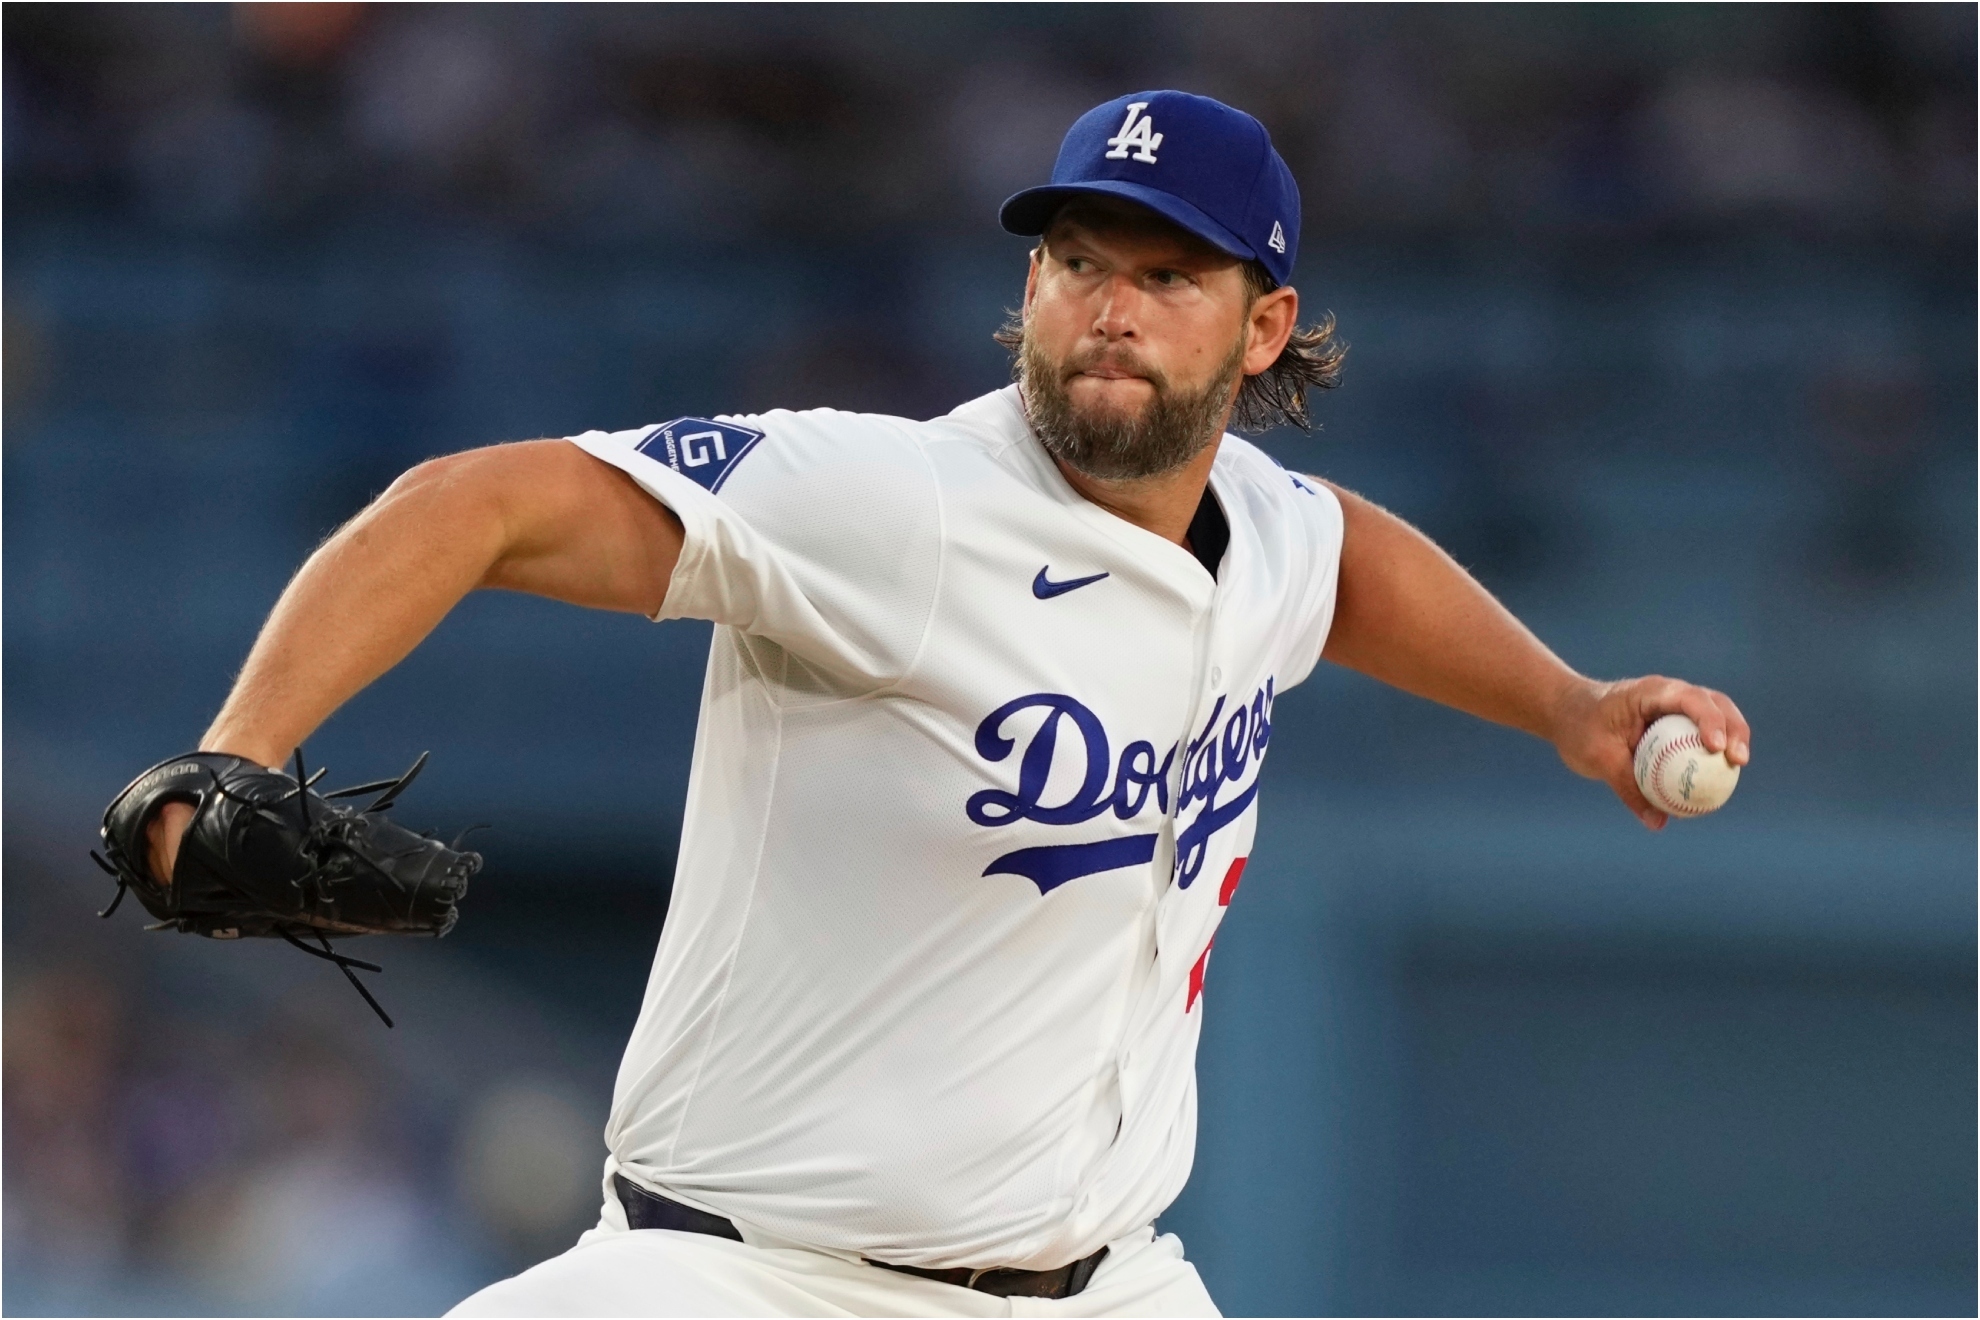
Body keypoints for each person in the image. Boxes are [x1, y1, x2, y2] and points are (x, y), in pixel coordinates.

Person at [140, 91, 1750, 1317]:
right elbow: (465, 505)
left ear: (1265, 325)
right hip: (751, 1281)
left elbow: (1342, 566)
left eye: (1166, 273)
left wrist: (1569, 705)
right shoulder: (888, 501)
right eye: (1072, 261)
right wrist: (235, 759)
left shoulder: (1261, 525)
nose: (1105, 306)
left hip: (1108, 1283)